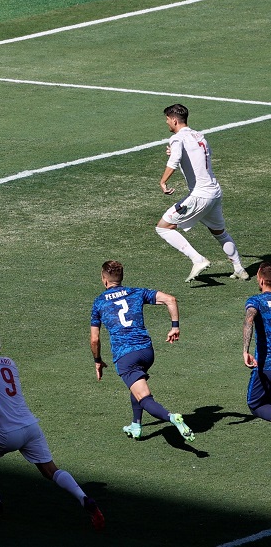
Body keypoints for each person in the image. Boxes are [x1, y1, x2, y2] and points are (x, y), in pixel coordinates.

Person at [0, 331, 104, 531]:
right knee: (50, 470)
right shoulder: (9, 362)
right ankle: (84, 499)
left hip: (8, 433)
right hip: (31, 427)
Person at [90, 260, 196, 442]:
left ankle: (172, 417)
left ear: (104, 279)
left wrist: (97, 360)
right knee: (137, 385)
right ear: (121, 277)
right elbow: (170, 299)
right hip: (146, 352)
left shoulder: (99, 302)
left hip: (125, 356)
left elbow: (95, 339)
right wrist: (175, 327)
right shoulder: (136, 292)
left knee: (145, 397)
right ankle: (136, 424)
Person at [156, 103, 246, 283]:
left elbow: (174, 161)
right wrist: (176, 152)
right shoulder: (200, 136)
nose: (166, 123)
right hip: (214, 192)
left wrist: (163, 181)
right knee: (219, 232)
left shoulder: (177, 139)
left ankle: (197, 260)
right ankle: (239, 269)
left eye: (167, 119)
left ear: (174, 120)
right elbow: (201, 156)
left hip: (200, 195)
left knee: (163, 227)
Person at [242, 262, 271, 421]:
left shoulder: (256, 301)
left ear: (261, 281)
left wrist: (245, 351)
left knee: (255, 403)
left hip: (267, 365)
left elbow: (249, 320)